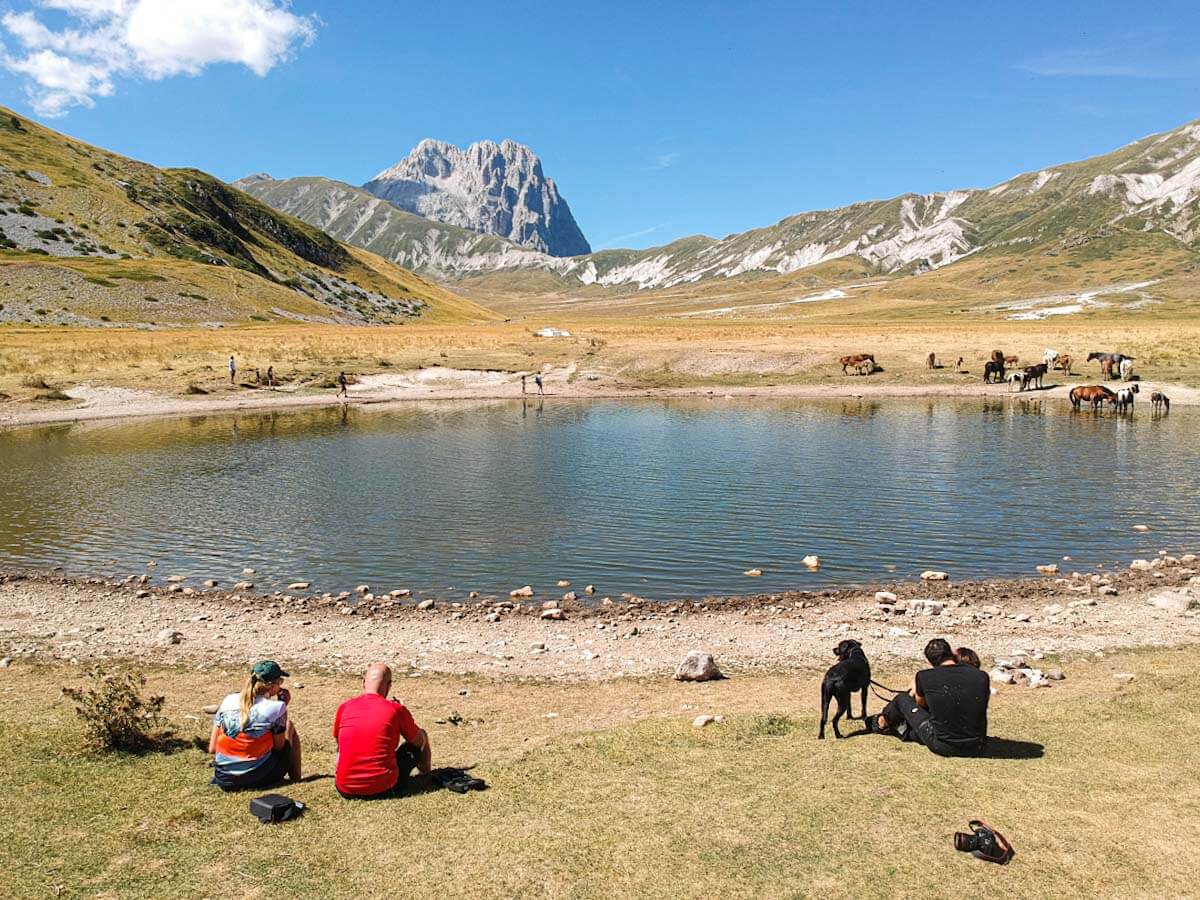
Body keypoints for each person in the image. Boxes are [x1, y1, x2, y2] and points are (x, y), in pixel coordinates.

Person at [869, 638, 989, 756]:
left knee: (902, 699)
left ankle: (882, 722)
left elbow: (920, 704)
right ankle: (902, 730)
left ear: (930, 662)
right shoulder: (981, 676)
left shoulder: (925, 676)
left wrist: (916, 691)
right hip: (977, 745)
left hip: (943, 745)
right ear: (952, 654)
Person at [333, 662, 431, 799]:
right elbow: (417, 741)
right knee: (421, 735)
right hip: (384, 788)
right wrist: (404, 712)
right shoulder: (395, 709)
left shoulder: (344, 707)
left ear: (363, 682)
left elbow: (340, 746)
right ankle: (427, 775)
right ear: (389, 685)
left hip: (345, 789)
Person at [208, 660, 301, 790]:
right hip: (255, 776)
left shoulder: (228, 699)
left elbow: (212, 748)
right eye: (280, 682)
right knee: (288, 725)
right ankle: (296, 779)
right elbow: (279, 746)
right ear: (271, 685)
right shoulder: (277, 707)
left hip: (224, 778)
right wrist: (283, 705)